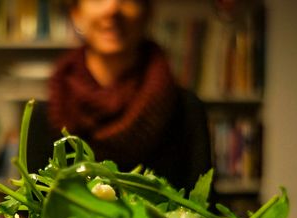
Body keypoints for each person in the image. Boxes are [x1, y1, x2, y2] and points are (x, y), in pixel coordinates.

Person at [26, 0, 212, 191]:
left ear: (147, 12)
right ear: (76, 13)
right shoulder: (46, 114)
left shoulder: (186, 110)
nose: (112, 8)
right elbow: (33, 202)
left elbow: (203, 203)